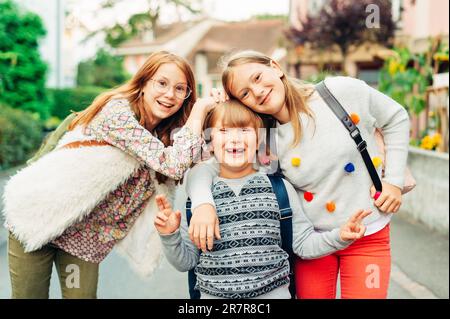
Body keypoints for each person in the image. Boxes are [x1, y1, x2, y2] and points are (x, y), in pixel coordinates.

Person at [185, 50, 410, 299]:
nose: (257, 91)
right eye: (245, 93)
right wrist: (202, 203)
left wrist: (394, 183)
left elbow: (396, 117)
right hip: (311, 243)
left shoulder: (339, 92)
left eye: (258, 77)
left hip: (368, 233)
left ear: (275, 67)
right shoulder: (265, 138)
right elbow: (204, 166)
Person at [3, 51, 217, 299]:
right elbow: (172, 165)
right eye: (162, 83)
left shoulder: (171, 136)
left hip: (84, 238)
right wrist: (200, 109)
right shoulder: (116, 113)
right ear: (144, 83)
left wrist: (222, 107)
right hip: (41, 216)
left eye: (180, 89)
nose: (170, 94)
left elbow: (212, 155)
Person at [154, 100, 371, 299]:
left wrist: (340, 236)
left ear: (259, 138)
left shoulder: (280, 189)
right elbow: (186, 262)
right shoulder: (199, 200)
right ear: (209, 142)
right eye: (224, 130)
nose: (235, 138)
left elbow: (303, 245)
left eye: (244, 130)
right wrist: (169, 235)